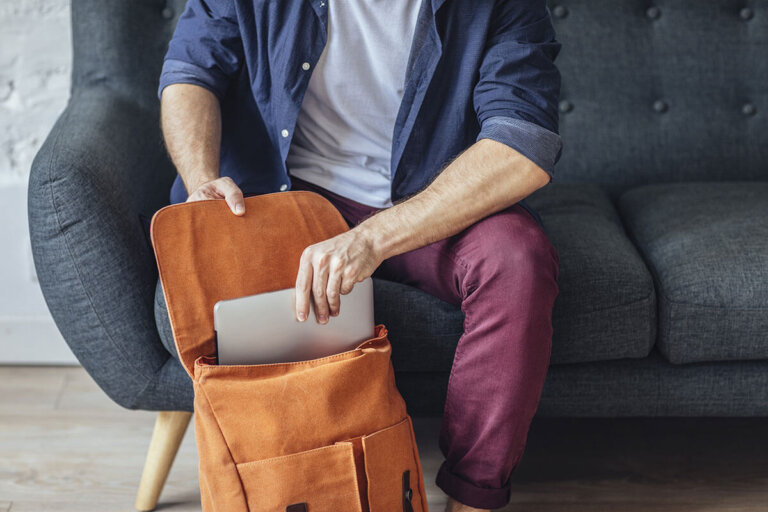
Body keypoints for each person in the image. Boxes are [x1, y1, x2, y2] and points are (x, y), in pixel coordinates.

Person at [156, 0, 562, 510]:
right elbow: (191, 70)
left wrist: (372, 240)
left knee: (517, 262)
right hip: (288, 195)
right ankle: (282, 487)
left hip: (429, 198)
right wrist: (200, 180)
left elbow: (523, 143)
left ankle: (473, 496)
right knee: (226, 289)